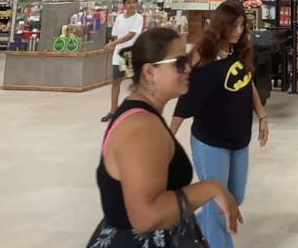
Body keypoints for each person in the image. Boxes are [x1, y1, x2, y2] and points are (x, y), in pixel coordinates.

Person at [92, 28, 242, 248]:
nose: (188, 68)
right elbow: (147, 216)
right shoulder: (141, 128)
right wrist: (210, 188)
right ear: (149, 73)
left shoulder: (143, 116)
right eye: (179, 63)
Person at [169, 0, 267, 248]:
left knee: (235, 197)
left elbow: (246, 82)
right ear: (220, 25)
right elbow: (185, 101)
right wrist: (167, 138)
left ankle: (194, 231)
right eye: (233, 26)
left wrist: (262, 115)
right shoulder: (202, 57)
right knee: (218, 205)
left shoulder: (239, 51)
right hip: (210, 142)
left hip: (239, 139)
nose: (238, 31)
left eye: (241, 25)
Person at [105, 0, 146, 122]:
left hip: (129, 54)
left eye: (133, 2)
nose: (131, 5)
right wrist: (114, 45)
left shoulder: (139, 18)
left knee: (135, 83)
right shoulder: (119, 18)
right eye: (128, 3)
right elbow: (117, 34)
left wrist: (113, 44)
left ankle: (136, 109)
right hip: (118, 55)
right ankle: (113, 110)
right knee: (115, 82)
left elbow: (130, 35)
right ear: (124, 5)